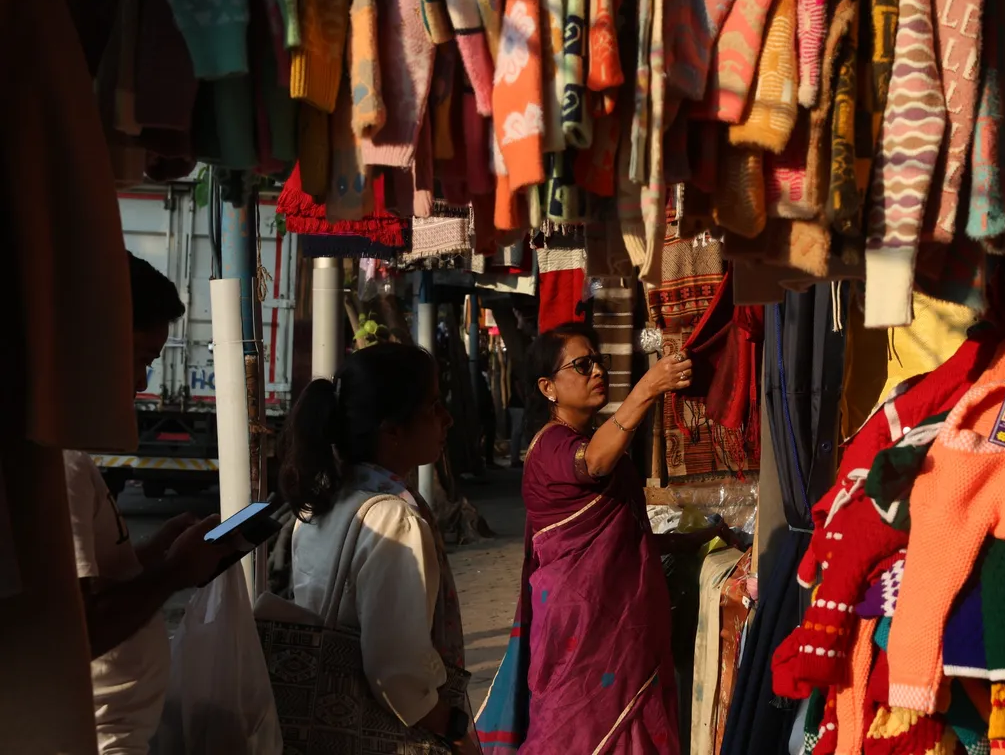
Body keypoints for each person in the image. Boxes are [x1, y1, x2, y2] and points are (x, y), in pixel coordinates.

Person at [477, 323, 729, 754]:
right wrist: (647, 388)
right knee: (572, 735)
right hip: (581, 631)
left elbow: (622, 534)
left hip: (627, 630)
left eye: (598, 361)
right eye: (582, 365)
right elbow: (592, 463)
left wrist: (690, 541)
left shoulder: (591, 441)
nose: (597, 371)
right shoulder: (553, 446)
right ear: (548, 388)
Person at [64, 252, 244, 755]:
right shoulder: (60, 469)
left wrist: (154, 553)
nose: (142, 382)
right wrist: (174, 572)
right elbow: (79, 628)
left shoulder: (66, 459)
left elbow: (90, 582)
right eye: (141, 358)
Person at [279, 342, 479, 754]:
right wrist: (454, 728)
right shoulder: (394, 519)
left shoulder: (327, 500)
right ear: (392, 430)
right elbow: (397, 671)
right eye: (433, 407)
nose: (447, 418)